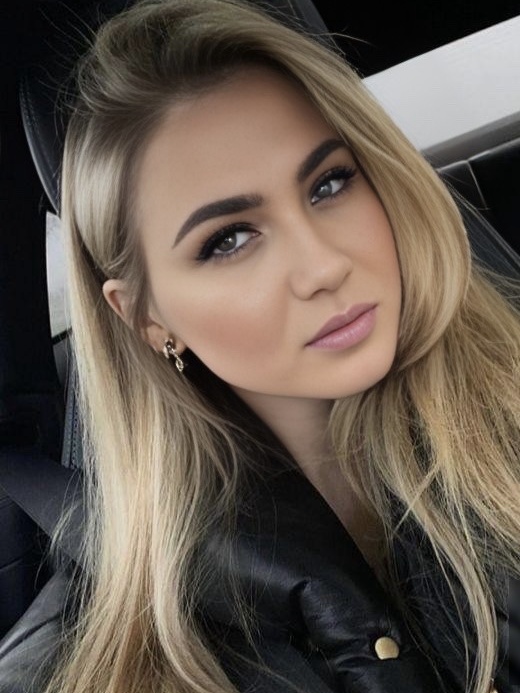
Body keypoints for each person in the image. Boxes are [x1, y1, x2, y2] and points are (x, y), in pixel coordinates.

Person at [41, 0, 520, 692]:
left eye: (330, 183)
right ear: (147, 317)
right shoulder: (153, 666)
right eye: (228, 239)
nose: (323, 265)